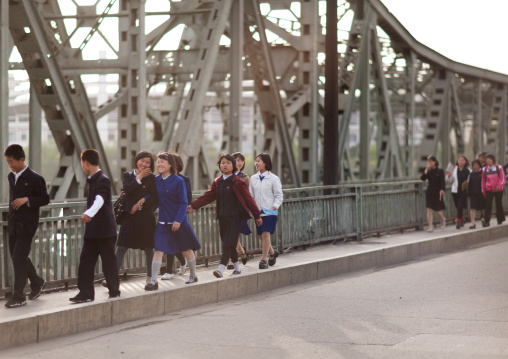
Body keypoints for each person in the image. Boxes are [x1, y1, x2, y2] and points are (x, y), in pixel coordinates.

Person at [188, 154, 262, 278]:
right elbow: (208, 196)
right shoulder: (218, 182)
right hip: (222, 217)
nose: (225, 165)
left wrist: (257, 216)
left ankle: (221, 269)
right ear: (219, 166)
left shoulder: (238, 181)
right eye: (223, 162)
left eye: (228, 162)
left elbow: (249, 199)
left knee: (228, 242)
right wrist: (193, 205)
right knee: (230, 243)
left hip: (235, 217)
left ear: (233, 166)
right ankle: (237, 268)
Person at [70, 149, 120, 303]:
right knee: (86, 262)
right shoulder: (91, 179)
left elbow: (100, 200)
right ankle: (85, 293)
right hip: (93, 230)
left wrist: (89, 213)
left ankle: (114, 290)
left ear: (85, 162)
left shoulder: (103, 179)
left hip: (104, 230)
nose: (82, 165)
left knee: (108, 262)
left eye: (82, 163)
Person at [145, 152, 201, 290]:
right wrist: (143, 200)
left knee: (186, 248)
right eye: (158, 162)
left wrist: (178, 220)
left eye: (162, 162)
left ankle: (193, 275)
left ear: (170, 164)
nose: (159, 164)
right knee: (158, 249)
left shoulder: (178, 180)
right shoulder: (156, 180)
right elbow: (152, 196)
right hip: (163, 223)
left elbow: (183, 203)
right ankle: (153, 281)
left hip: (178, 222)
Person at [4, 145, 50, 308]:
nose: (10, 165)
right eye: (8, 162)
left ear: (21, 159)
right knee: (19, 257)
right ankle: (37, 282)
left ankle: (19, 296)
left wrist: (27, 200)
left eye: (12, 161)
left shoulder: (35, 178)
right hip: (13, 224)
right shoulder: (11, 176)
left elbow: (45, 199)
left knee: (18, 258)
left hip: (27, 225)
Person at [114, 151, 158, 285]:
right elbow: (127, 189)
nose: (144, 164)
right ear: (136, 160)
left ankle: (150, 276)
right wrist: (139, 177)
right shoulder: (127, 176)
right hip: (129, 218)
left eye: (147, 162)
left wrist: (142, 203)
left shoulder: (152, 178)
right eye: (142, 161)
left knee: (149, 249)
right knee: (121, 247)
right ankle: (112, 277)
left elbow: (155, 198)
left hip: (145, 218)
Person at [249, 153, 283, 269]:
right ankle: (273, 253)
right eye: (256, 161)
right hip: (258, 213)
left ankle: (263, 260)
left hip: (269, 211)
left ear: (265, 163)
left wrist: (275, 205)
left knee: (265, 234)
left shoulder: (274, 178)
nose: (256, 163)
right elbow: (250, 196)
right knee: (260, 236)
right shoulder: (253, 178)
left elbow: (279, 195)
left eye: (259, 161)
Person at [160, 153, 189, 280]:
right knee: (169, 242)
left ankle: (183, 262)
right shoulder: (161, 179)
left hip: (179, 216)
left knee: (178, 242)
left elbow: (186, 198)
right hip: (167, 216)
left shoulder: (183, 179)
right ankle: (170, 270)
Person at [232, 152, 250, 265]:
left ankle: (232, 260)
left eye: (241, 160)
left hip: (238, 210)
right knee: (230, 235)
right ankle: (242, 252)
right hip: (227, 209)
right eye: (237, 160)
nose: (239, 162)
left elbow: (247, 195)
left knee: (234, 235)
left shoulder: (245, 178)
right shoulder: (226, 175)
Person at [421, 155, 446, 232]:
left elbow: (442, 181)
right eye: (428, 162)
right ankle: (430, 226)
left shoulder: (440, 171)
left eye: (430, 161)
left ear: (435, 162)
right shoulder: (429, 171)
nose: (429, 163)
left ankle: (442, 219)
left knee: (437, 209)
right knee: (429, 209)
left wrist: (442, 189)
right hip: (429, 192)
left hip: (437, 192)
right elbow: (423, 178)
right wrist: (426, 170)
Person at [446, 155, 471, 229]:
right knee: (457, 206)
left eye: (462, 160)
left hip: (463, 190)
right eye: (459, 160)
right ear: (457, 161)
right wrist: (449, 176)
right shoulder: (453, 169)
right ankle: (462, 218)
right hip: (455, 190)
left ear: (465, 162)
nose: (460, 161)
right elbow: (449, 180)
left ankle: (458, 221)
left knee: (460, 205)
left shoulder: (468, 170)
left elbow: (470, 180)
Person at [481, 154, 506, 227]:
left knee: (499, 204)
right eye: (487, 159)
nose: (488, 161)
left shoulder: (499, 167)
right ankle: (487, 221)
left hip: (498, 189)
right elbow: (483, 181)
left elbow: (503, 178)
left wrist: (500, 185)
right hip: (489, 189)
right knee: (488, 205)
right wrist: (483, 191)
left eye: (489, 159)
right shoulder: (484, 169)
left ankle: (500, 219)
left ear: (493, 160)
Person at [468, 160, 484, 229]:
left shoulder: (483, 172)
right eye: (473, 165)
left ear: (479, 165)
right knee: (472, 207)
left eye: (476, 165)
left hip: (482, 192)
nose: (475, 166)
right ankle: (473, 223)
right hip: (473, 193)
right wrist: (468, 194)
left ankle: (484, 219)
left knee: (483, 206)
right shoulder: (471, 174)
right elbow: (469, 184)